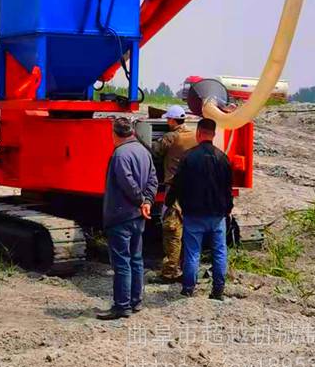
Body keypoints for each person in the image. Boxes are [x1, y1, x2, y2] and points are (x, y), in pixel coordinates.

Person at [166, 117, 233, 301]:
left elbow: (177, 184)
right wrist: (228, 209)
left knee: (192, 252)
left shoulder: (189, 157)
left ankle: (188, 289)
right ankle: (218, 290)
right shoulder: (223, 158)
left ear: (198, 133)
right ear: (214, 134)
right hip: (217, 215)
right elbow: (228, 189)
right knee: (219, 252)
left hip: (194, 214)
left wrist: (169, 203)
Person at [98, 116, 158, 320]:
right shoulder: (144, 152)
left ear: (115, 134)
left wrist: (141, 200)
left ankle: (122, 306)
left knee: (122, 262)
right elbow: (152, 179)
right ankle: (136, 301)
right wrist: (148, 201)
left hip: (121, 214)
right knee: (136, 260)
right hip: (138, 217)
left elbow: (126, 182)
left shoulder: (120, 154)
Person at [151, 105, 197, 282]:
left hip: (174, 189)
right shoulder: (194, 135)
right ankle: (188, 269)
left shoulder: (171, 137)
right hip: (193, 190)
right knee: (189, 231)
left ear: (171, 120)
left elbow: (155, 150)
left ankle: (170, 271)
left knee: (172, 230)